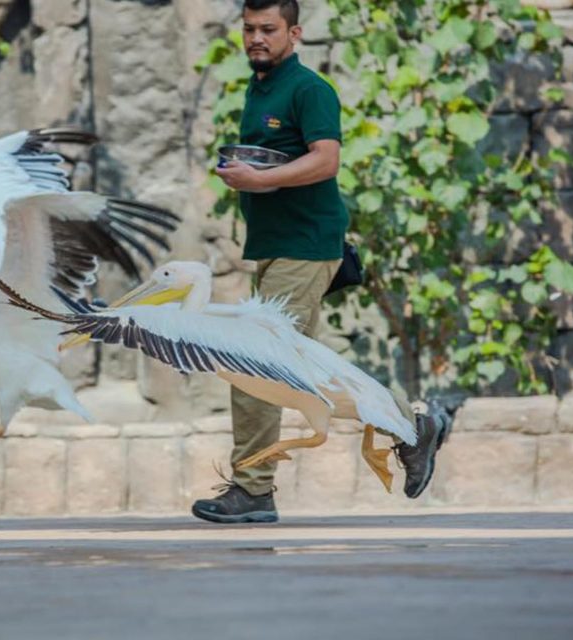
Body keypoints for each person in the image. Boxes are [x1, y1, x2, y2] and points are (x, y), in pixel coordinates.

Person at [191, 0, 451, 524]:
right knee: (307, 370)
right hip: (275, 245)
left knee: (253, 362)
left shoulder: (310, 89)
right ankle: (412, 424)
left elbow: (326, 159)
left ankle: (253, 490)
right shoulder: (260, 89)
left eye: (269, 29)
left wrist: (260, 178)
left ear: (295, 33)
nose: (256, 38)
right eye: (249, 29)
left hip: (306, 244)